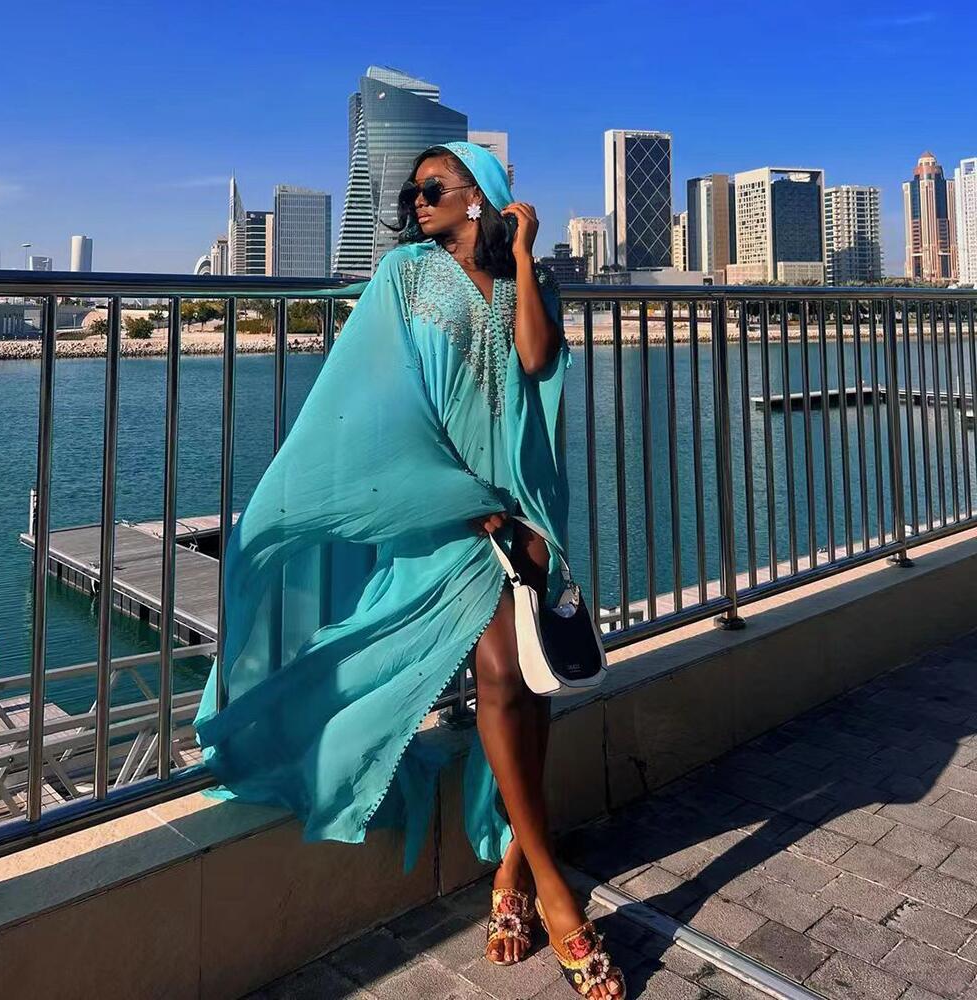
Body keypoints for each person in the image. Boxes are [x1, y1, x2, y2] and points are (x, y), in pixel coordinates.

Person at [192, 140, 624, 999]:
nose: (417, 201)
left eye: (433, 187)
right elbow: (381, 402)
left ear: (479, 195)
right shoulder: (402, 276)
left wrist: (524, 258)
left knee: (528, 676)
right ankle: (551, 888)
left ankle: (512, 867)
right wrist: (458, 494)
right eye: (412, 192)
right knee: (500, 672)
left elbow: (539, 362)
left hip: (525, 499)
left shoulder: (526, 275)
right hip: (447, 504)